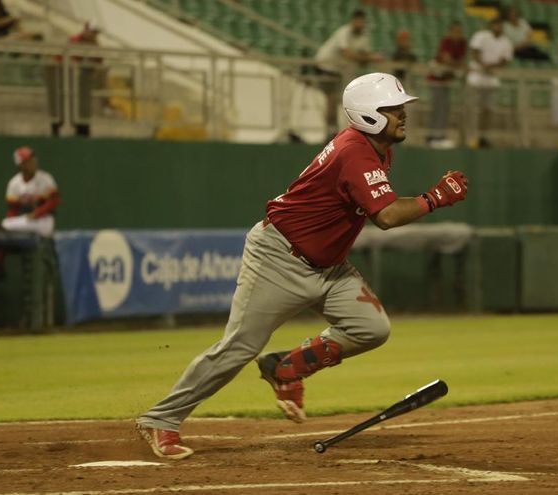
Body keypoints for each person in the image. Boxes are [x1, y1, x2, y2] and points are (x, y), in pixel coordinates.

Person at [136, 72, 470, 460]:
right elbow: (387, 216)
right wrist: (435, 197)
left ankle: (286, 368)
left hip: (328, 266)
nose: (403, 114)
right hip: (281, 258)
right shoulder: (354, 151)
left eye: (401, 107)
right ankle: (161, 419)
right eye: (393, 108)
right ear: (369, 114)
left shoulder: (377, 148)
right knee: (239, 346)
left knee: (371, 327)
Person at [314, 10, 384, 139]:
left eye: (362, 22)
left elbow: (364, 56)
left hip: (339, 70)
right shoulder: (344, 32)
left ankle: (334, 130)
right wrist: (370, 58)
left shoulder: (364, 36)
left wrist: (373, 57)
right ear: (352, 21)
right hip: (325, 66)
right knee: (331, 100)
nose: (359, 24)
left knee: (339, 100)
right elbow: (346, 54)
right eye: (357, 21)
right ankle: (330, 130)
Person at [49, 21, 104, 137]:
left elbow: (98, 62)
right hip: (66, 80)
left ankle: (82, 130)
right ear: (86, 30)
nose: (94, 35)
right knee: (63, 107)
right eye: (92, 32)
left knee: (82, 110)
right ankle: (57, 129)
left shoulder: (95, 45)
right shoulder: (74, 40)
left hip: (82, 83)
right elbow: (63, 59)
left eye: (95, 33)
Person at [466, 17, 513, 148]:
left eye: (501, 25)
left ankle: (483, 136)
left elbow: (505, 60)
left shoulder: (506, 42)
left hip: (492, 79)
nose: (498, 27)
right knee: (472, 109)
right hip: (476, 77)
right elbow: (475, 52)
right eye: (496, 25)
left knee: (488, 110)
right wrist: (483, 65)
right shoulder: (481, 36)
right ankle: (470, 136)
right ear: (491, 25)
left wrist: (491, 67)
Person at [1, 147, 61, 237]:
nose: (33, 163)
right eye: (28, 161)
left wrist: (37, 213)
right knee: (6, 224)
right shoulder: (14, 183)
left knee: (6, 225)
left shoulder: (46, 178)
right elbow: (12, 209)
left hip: (44, 221)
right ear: (20, 165)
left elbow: (54, 201)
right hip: (25, 219)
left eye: (33, 160)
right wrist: (13, 221)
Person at [426, 21, 467, 148]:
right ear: (450, 32)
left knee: (445, 109)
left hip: (447, 80)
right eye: (455, 31)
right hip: (436, 79)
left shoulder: (462, 43)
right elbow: (446, 58)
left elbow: (461, 61)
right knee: (437, 108)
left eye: (459, 32)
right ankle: (433, 136)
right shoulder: (446, 41)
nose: (457, 34)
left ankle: (441, 136)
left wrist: (455, 65)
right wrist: (456, 65)